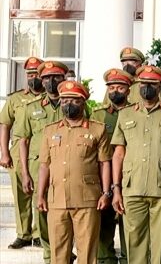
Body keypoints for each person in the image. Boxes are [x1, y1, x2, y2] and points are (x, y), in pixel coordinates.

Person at [110, 65, 161, 264]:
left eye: (152, 84)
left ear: (160, 86)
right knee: (134, 241)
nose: (147, 87)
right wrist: (116, 189)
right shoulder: (126, 114)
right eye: (143, 83)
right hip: (133, 186)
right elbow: (118, 153)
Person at [36, 80, 112, 264]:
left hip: (87, 199)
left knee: (87, 253)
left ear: (83, 102)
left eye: (74, 100)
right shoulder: (50, 131)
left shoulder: (97, 129)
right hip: (57, 199)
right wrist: (40, 195)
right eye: (64, 101)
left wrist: (106, 193)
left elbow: (104, 163)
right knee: (58, 253)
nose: (68, 104)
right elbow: (44, 165)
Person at [15, 60, 69, 263]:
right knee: (43, 213)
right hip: (39, 169)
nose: (50, 81)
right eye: (46, 78)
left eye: (55, 77)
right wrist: (26, 173)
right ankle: (49, 255)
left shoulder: (73, 102)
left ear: (63, 79)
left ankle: (64, 251)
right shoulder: (30, 108)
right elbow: (23, 141)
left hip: (66, 169)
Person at [91, 68, 136, 264]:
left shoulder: (136, 112)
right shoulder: (98, 115)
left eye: (119, 87)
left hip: (131, 176)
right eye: (111, 88)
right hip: (103, 178)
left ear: (128, 90)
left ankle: (128, 259)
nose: (115, 91)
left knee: (130, 225)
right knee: (104, 226)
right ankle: (106, 260)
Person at [0, 56, 43, 249]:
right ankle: (23, 233)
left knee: (40, 192)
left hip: (41, 151)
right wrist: (4, 153)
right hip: (18, 151)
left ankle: (39, 233)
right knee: (20, 194)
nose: (33, 77)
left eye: (36, 74)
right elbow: (5, 126)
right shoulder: (15, 99)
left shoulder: (49, 97)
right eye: (30, 74)